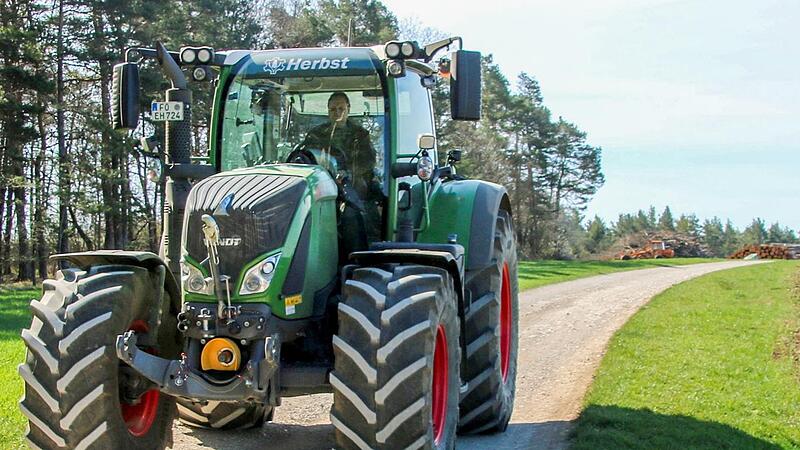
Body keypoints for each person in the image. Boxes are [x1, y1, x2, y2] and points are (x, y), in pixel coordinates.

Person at [302, 92, 376, 190]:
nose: (337, 113)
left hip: (352, 185)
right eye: (333, 109)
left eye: (341, 109)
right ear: (328, 111)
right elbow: (306, 158)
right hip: (321, 183)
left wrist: (349, 172)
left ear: (348, 109)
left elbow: (368, 162)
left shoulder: (360, 135)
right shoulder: (316, 134)